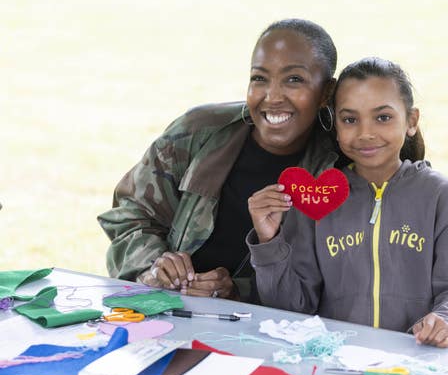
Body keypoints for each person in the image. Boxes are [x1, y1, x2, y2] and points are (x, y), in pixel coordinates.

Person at [247, 57, 448, 347]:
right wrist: (269, 241)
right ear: (335, 126)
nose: (365, 133)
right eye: (350, 120)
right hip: (336, 364)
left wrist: (447, 320)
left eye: (383, 117)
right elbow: (292, 309)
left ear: (411, 121)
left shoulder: (443, 198)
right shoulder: (317, 202)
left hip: (418, 364)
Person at [98, 19, 340, 302]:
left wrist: (238, 291)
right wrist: (154, 266)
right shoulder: (197, 132)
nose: (272, 97)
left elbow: (327, 283)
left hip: (263, 332)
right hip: (167, 312)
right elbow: (130, 216)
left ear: (326, 93)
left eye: (294, 80)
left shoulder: (337, 169)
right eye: (259, 78)